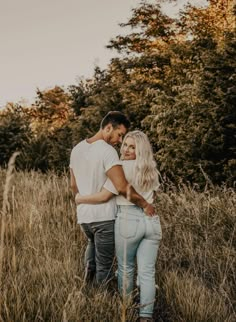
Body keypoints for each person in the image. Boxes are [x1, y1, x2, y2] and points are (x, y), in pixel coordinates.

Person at [75, 130, 162, 322]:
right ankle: (146, 316)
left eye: (133, 147)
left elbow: (105, 196)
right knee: (147, 272)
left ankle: (127, 309)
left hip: (128, 220)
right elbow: (153, 198)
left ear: (141, 150)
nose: (127, 149)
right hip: (153, 223)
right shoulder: (152, 169)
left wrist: (80, 198)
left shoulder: (120, 168)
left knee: (126, 268)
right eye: (126, 145)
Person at [70, 112, 156, 286]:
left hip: (84, 217)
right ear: (108, 127)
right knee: (105, 265)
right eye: (119, 135)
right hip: (104, 217)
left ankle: (87, 287)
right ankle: (103, 299)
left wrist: (80, 199)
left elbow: (73, 185)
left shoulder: (77, 148)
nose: (119, 140)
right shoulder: (108, 151)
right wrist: (145, 204)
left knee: (91, 246)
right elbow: (122, 187)